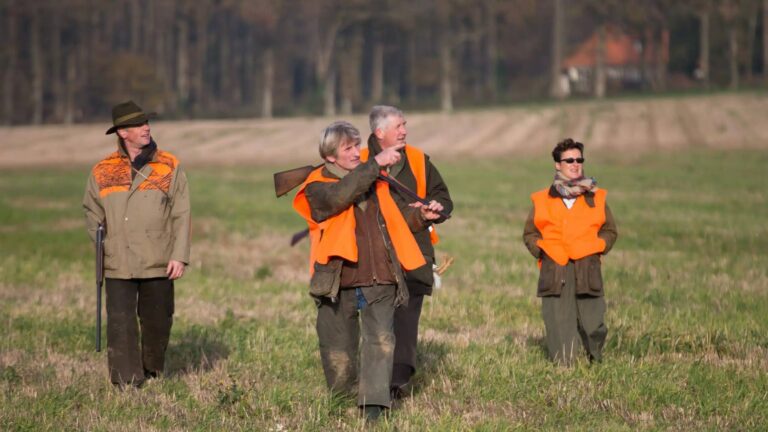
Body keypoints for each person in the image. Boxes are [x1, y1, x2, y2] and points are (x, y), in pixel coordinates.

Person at [292, 121, 443, 421]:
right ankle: (343, 399)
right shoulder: (317, 186)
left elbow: (396, 219)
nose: (355, 152)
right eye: (347, 148)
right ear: (330, 156)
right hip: (338, 280)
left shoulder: (373, 180)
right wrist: (374, 164)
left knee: (382, 341)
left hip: (380, 276)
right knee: (339, 349)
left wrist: (421, 216)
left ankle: (374, 408)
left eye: (356, 145)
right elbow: (339, 197)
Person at [83, 100, 191, 387]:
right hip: (118, 259)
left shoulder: (169, 165)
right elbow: (91, 211)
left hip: (158, 258)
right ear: (122, 132)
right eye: (137, 125)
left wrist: (179, 255)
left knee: (158, 322)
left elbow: (182, 212)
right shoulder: (102, 170)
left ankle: (151, 370)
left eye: (146, 123)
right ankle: (126, 381)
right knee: (121, 323)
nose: (146, 128)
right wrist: (103, 242)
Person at [362, 105, 453, 398]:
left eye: (405, 125)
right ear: (380, 132)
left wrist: (436, 209)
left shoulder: (417, 158)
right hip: (377, 253)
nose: (404, 131)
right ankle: (374, 380)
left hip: (414, 251)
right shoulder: (361, 161)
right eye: (398, 126)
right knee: (379, 319)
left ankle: (398, 381)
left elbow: (443, 196)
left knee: (408, 317)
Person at [522, 138, 617, 365]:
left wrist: (597, 248)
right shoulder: (542, 199)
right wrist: (543, 252)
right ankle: (565, 369)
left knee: (593, 324)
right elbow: (530, 234)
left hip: (587, 265)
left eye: (579, 160)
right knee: (558, 324)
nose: (575, 164)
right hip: (555, 268)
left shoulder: (597, 197)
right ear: (557, 164)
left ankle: (594, 360)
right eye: (569, 160)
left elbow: (610, 231)